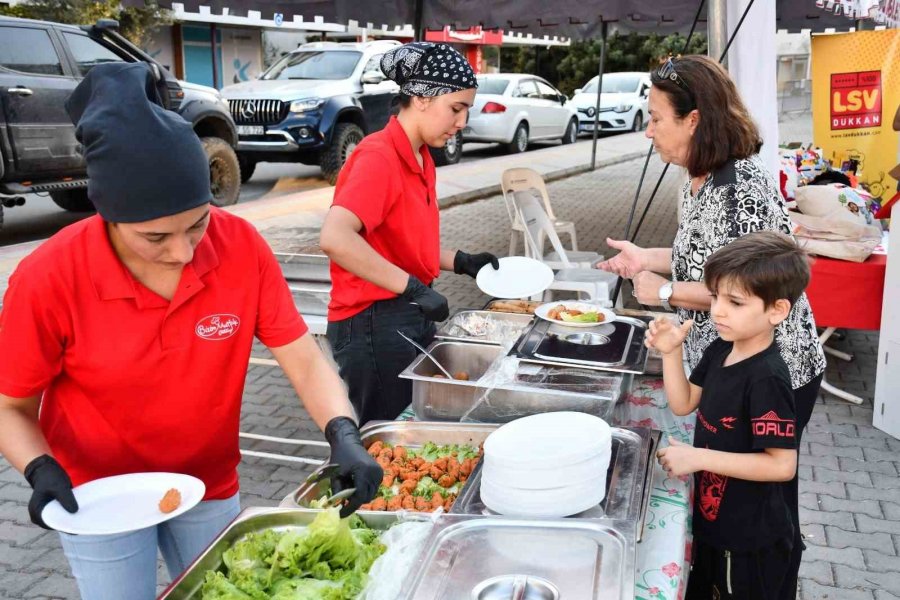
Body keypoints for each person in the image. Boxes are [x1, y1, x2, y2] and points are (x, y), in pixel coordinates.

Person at [0, 63, 381, 600]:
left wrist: (343, 433)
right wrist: (39, 468)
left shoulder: (240, 247)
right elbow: (10, 407)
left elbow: (302, 357)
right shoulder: (49, 277)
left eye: (198, 223)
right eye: (155, 237)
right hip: (97, 494)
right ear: (108, 215)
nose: (183, 252)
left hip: (207, 483)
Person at [597, 55, 825, 598]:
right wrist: (645, 259)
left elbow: (748, 288)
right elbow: (701, 258)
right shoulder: (695, 179)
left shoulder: (740, 185)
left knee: (765, 500)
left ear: (694, 120)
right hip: (724, 358)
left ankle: (766, 580)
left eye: (656, 118)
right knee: (728, 490)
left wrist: (667, 292)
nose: (648, 130)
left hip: (772, 365)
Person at [320, 42, 499, 425]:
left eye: (466, 110)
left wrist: (459, 261)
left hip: (404, 312)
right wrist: (413, 288)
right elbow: (336, 238)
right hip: (370, 321)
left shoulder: (421, 156)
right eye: (456, 108)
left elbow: (402, 244)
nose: (462, 122)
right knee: (390, 436)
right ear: (420, 98)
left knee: (415, 425)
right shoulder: (379, 156)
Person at [648, 231, 810, 600]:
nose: (718, 310)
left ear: (777, 310)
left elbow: (782, 465)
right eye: (715, 296)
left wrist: (698, 458)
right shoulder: (721, 349)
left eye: (735, 302)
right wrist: (671, 352)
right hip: (713, 524)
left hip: (747, 542)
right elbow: (684, 403)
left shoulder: (767, 378)